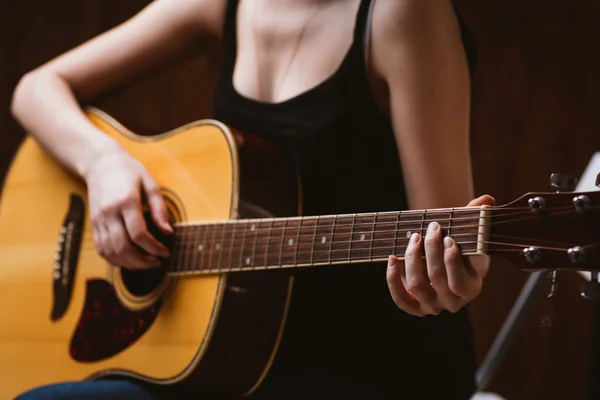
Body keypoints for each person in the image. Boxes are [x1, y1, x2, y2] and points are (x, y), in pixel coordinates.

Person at [10, 0, 495, 398]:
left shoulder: (402, 13)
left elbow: (447, 238)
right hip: (222, 356)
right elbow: (36, 89)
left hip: (365, 367)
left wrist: (446, 280)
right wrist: (103, 164)